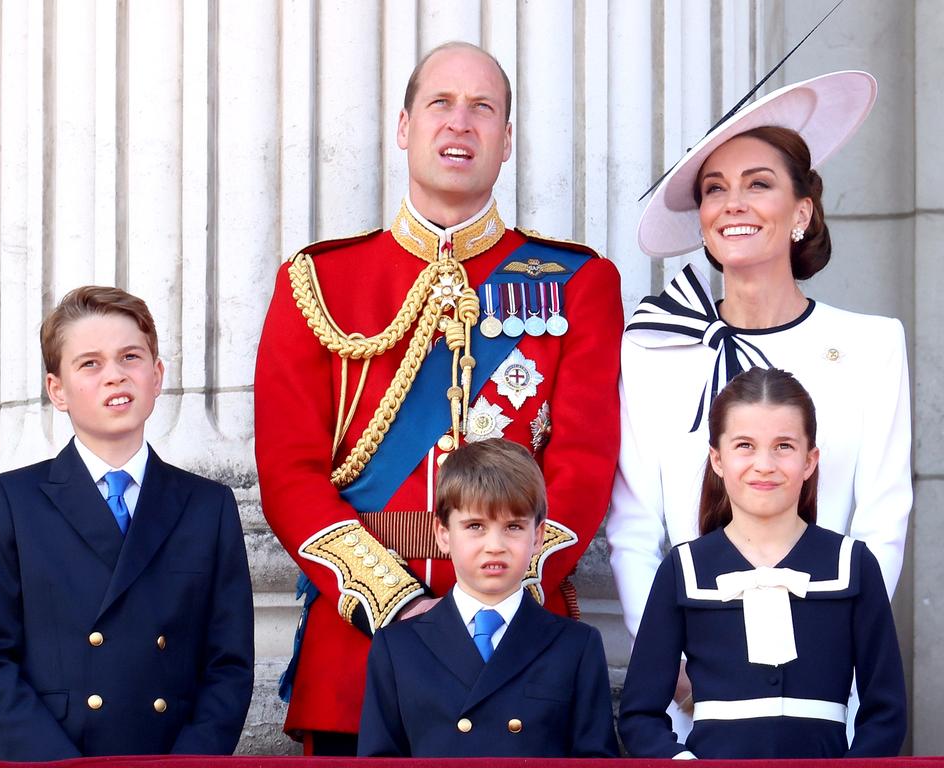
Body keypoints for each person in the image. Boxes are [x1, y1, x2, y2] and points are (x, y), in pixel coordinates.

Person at [254, 41, 623, 753]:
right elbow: (288, 474)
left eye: (483, 108)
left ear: (507, 139)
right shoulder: (317, 281)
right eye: (441, 104)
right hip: (358, 653)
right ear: (404, 127)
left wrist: (501, 597)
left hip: (520, 652)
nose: (461, 123)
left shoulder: (578, 283)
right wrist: (394, 603)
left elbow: (582, 465)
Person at [606, 71, 911, 727]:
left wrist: (834, 651)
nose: (733, 203)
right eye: (716, 189)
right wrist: (667, 656)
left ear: (802, 211)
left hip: (830, 687)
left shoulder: (872, 345)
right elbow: (633, 528)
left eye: (759, 184)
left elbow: (882, 521)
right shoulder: (652, 348)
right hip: (696, 686)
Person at [0, 286, 254, 760]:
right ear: (58, 390)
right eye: (90, 363)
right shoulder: (11, 502)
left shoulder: (208, 506)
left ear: (156, 376)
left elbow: (229, 666)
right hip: (48, 761)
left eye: (131, 357)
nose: (115, 376)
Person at [618, 367, 906, 759]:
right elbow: (639, 715)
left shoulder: (853, 564)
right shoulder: (683, 568)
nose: (765, 464)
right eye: (745, 446)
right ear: (717, 459)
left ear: (810, 460)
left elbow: (886, 714)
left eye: (784, 446)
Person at [358, 438, 618, 757]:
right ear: (443, 535)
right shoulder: (397, 647)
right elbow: (379, 762)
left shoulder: (575, 646)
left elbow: (595, 762)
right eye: (475, 526)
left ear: (538, 536)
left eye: (513, 527)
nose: (494, 545)